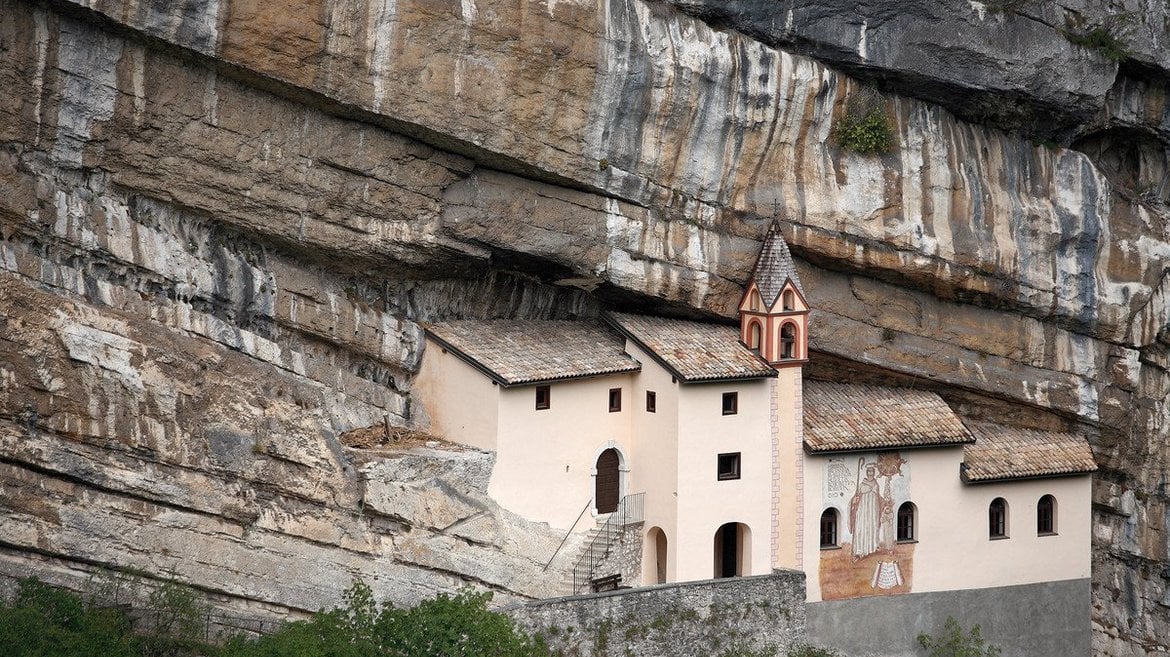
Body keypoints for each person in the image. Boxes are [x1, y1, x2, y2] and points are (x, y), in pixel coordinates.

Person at [849, 464, 884, 559]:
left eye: (872, 471)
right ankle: (860, 550)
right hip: (863, 510)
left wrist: (884, 502)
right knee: (861, 527)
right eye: (869, 471)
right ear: (866, 473)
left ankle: (871, 548)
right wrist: (854, 500)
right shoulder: (862, 484)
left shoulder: (876, 484)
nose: (870, 473)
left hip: (873, 510)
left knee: (872, 527)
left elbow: (878, 497)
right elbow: (856, 496)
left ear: (874, 472)